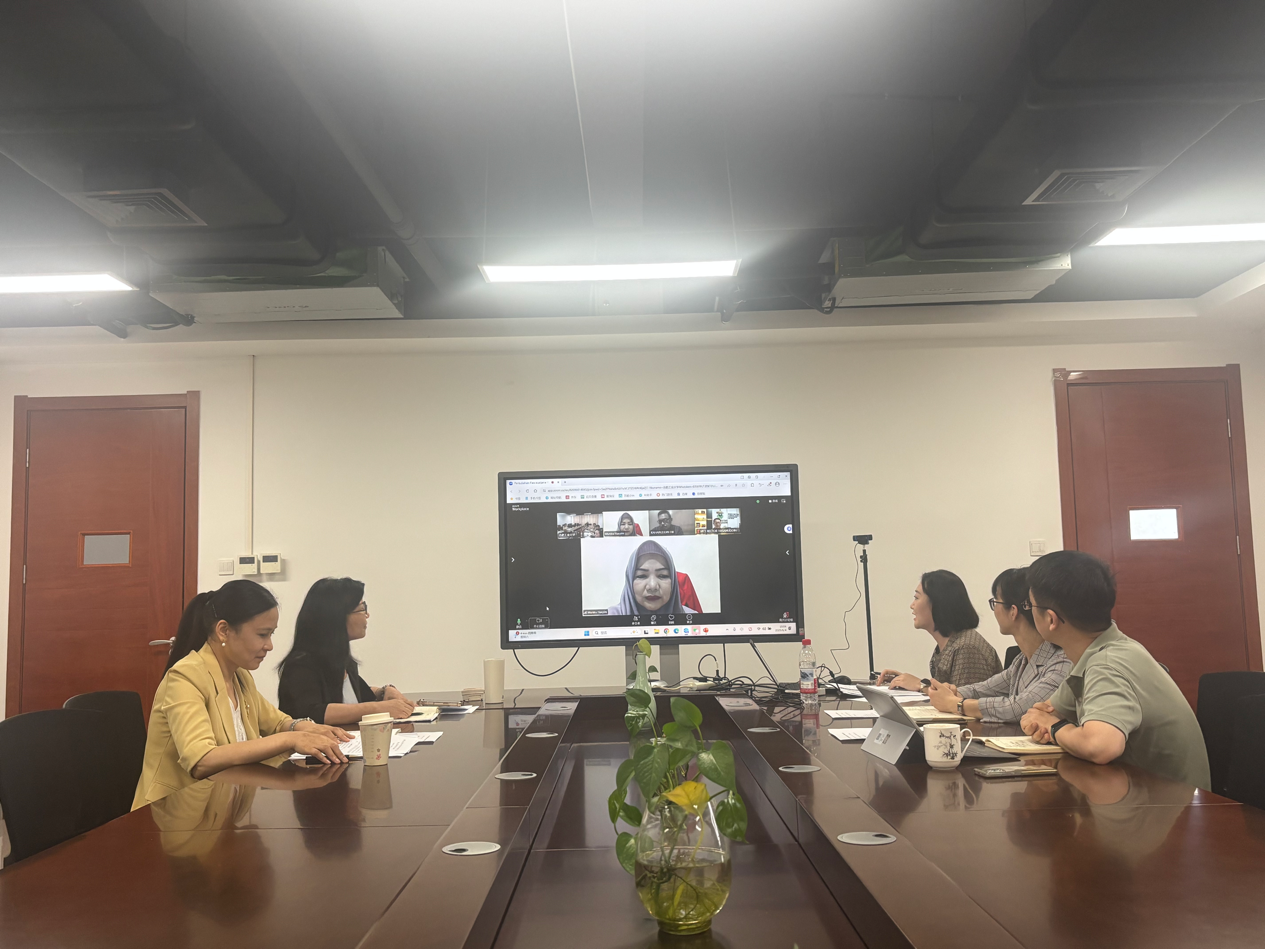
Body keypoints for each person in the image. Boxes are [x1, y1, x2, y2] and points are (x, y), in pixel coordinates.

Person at [133, 580, 351, 809]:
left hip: (218, 809)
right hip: (171, 815)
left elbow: (277, 723)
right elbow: (202, 760)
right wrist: (291, 739)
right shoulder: (185, 677)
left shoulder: (239, 676)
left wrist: (306, 728)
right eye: (262, 634)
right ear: (224, 631)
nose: (270, 645)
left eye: (271, 634)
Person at [1019, 550, 1210, 790]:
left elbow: (1100, 746)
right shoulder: (1096, 652)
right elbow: (1045, 711)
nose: (1029, 610)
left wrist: (1054, 727)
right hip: (1143, 796)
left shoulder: (1107, 664)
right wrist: (1042, 721)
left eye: (1030, 605)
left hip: (1176, 808)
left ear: (1050, 619)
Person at [926, 567, 1070, 722]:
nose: (994, 610)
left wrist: (957, 704)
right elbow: (982, 689)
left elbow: (1017, 708)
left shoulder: (1062, 662)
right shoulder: (1021, 661)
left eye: (995, 602)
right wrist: (951, 693)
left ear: (1013, 611)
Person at [278, 577, 415, 725]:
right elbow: (311, 713)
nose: (367, 615)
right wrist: (378, 708)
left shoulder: (341, 659)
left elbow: (359, 695)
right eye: (362, 609)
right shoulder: (301, 665)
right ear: (337, 617)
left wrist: (384, 692)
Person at [878, 570, 1001, 691]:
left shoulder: (967, 648)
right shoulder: (952, 643)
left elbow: (959, 700)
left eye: (916, 598)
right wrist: (905, 682)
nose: (912, 605)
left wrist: (921, 686)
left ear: (938, 603)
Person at [609, 540, 689, 616]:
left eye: (662, 576)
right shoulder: (611, 617)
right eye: (641, 576)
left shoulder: (690, 617)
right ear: (630, 581)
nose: (652, 586)